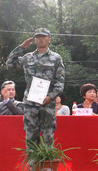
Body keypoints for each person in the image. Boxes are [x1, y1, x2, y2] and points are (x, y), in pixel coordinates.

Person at [7, 27, 65, 160]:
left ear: (49, 39)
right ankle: (33, 167)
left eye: (43, 37)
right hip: (30, 102)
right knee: (31, 135)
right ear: (34, 40)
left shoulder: (56, 58)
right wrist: (21, 48)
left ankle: (48, 166)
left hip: (47, 102)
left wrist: (50, 96)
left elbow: (60, 82)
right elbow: (10, 63)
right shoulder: (28, 57)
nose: (40, 39)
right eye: (38, 37)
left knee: (48, 135)